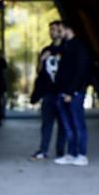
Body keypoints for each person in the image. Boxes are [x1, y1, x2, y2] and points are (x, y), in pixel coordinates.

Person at [55, 22, 93, 167]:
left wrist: (71, 91)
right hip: (63, 92)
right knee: (68, 126)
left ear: (69, 29)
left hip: (74, 93)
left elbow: (80, 71)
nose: (58, 33)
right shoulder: (66, 46)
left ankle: (82, 155)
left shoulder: (79, 47)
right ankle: (71, 154)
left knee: (78, 125)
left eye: (60, 30)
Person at [29, 20, 65, 160]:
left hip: (61, 93)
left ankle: (61, 152)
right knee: (46, 124)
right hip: (48, 94)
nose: (52, 32)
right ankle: (43, 150)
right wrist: (41, 59)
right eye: (50, 30)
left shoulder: (66, 49)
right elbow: (39, 71)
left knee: (63, 125)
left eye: (55, 29)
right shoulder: (46, 50)